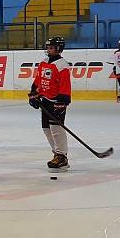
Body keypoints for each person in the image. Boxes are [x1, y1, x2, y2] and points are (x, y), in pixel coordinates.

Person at [28, 36, 72, 172]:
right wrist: (34, 93)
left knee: (56, 129)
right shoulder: (44, 62)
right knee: (46, 128)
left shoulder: (62, 65)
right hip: (45, 100)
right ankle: (56, 154)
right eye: (48, 47)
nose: (49, 50)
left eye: (51, 47)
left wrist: (62, 102)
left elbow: (65, 85)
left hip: (57, 102)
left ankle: (62, 156)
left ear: (59, 49)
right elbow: (38, 80)